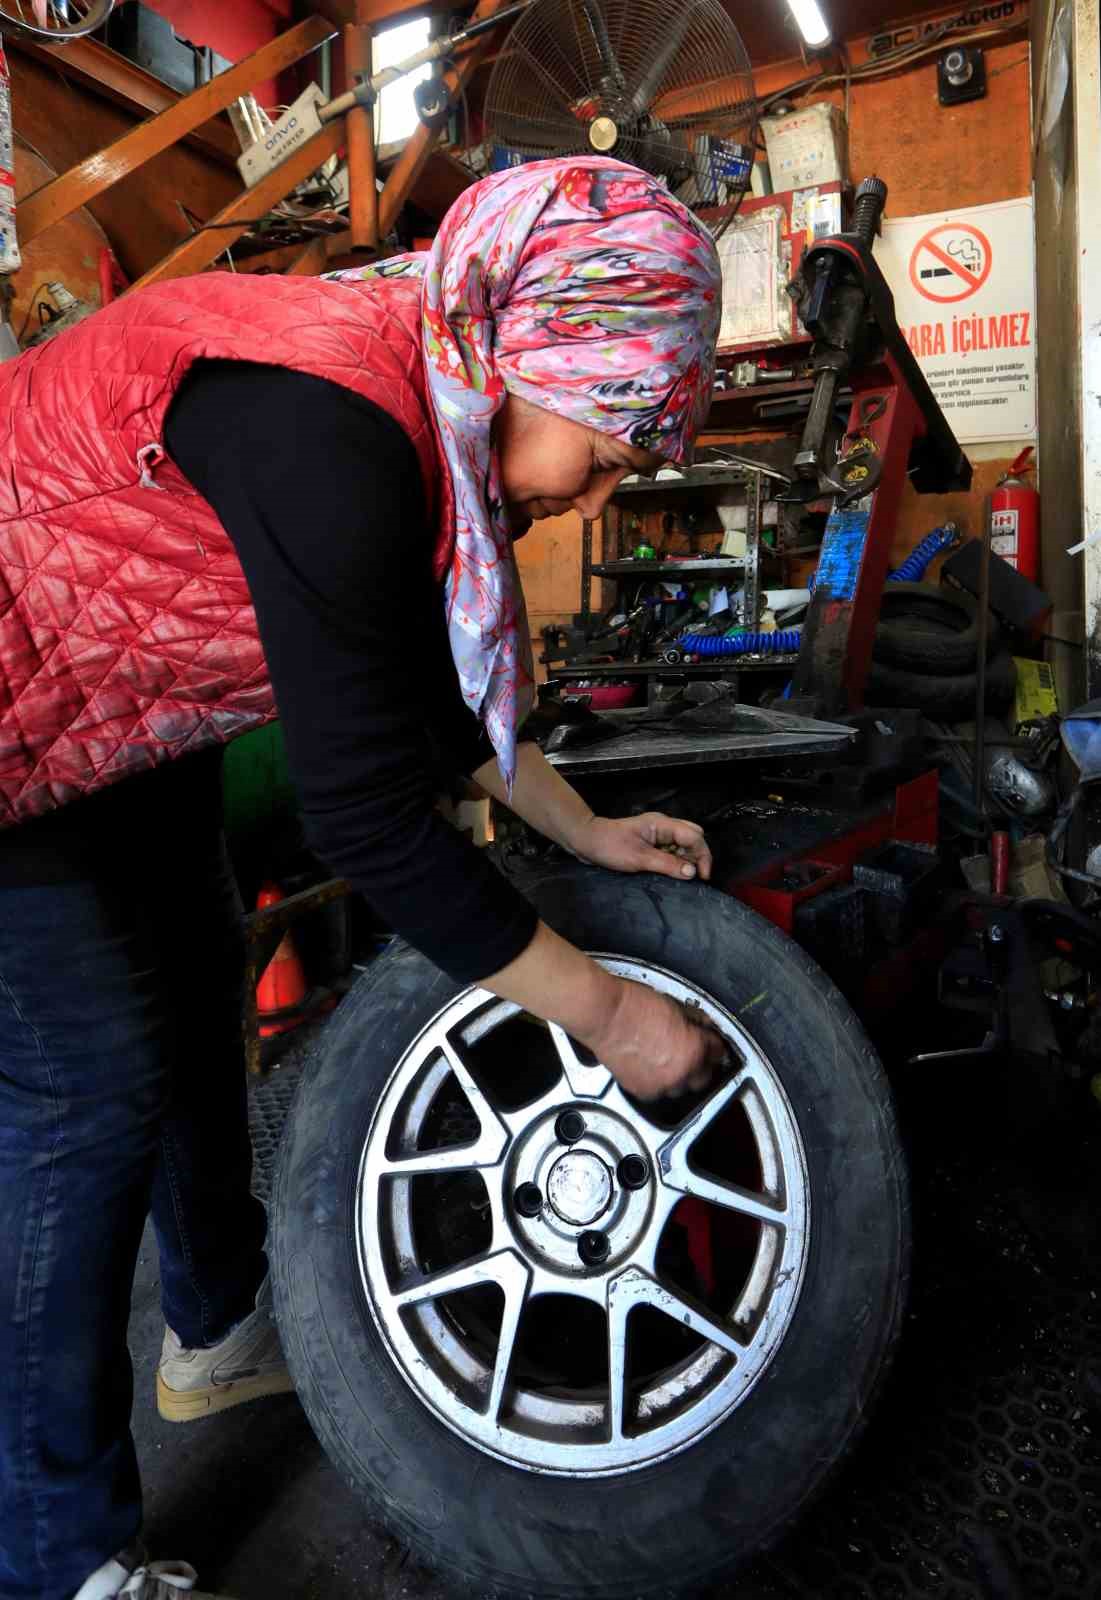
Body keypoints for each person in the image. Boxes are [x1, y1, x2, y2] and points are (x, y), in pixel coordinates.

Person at [0, 156, 725, 1600]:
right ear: (540, 351)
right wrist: (614, 1019)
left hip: (116, 700)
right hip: (12, 713)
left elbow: (424, 685)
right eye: (621, 434)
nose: (613, 481)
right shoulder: (336, 432)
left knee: (195, 1000)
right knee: (89, 1088)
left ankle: (214, 1332)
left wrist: (576, 830)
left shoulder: (423, 396)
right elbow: (373, 822)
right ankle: (48, 1553)